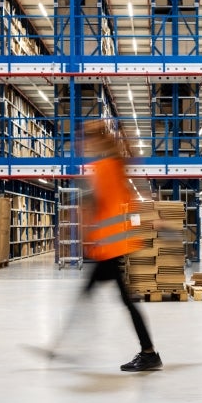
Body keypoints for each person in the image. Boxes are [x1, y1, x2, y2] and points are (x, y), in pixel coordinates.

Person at [80, 126, 162, 372]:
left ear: (95, 142)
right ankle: (148, 352)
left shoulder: (104, 168)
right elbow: (125, 203)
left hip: (110, 246)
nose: (84, 146)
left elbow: (98, 204)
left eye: (86, 141)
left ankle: (148, 353)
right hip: (114, 244)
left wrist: (88, 227)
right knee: (117, 299)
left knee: (106, 298)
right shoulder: (115, 166)